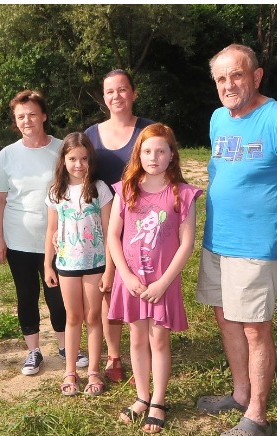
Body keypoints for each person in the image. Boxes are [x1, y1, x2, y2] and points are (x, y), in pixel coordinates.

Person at [196, 44, 277, 436]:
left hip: (255, 244)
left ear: (257, 75)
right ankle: (240, 393)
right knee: (226, 316)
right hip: (217, 239)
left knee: (253, 327)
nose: (229, 85)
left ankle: (258, 417)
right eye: (221, 78)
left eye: (237, 75)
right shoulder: (217, 118)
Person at [107, 124, 203, 434]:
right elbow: (113, 236)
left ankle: (158, 402)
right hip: (132, 280)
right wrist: (124, 274)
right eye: (147, 151)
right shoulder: (126, 188)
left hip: (163, 281)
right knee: (136, 339)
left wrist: (162, 283)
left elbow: (187, 243)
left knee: (158, 339)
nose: (154, 157)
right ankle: (141, 397)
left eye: (161, 151)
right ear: (139, 154)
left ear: (172, 154)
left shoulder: (183, 194)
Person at [0, 90, 69, 377]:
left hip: (59, 239)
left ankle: (65, 346)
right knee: (26, 294)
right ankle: (33, 352)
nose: (27, 120)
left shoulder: (63, 149)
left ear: (44, 116)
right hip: (19, 239)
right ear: (15, 120)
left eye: (32, 114)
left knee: (58, 295)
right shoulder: (7, 154)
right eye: (20, 116)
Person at [86, 69, 156, 386]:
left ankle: (148, 347)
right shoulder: (91, 135)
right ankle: (114, 355)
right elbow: (79, 180)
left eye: (123, 89)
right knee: (109, 290)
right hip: (104, 224)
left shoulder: (149, 131)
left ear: (134, 93)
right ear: (104, 97)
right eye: (110, 91)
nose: (117, 96)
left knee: (145, 283)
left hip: (144, 225)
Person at [45, 133, 114, 397]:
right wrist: (48, 265)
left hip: (95, 264)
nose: (78, 164)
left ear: (90, 160)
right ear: (63, 159)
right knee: (72, 317)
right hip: (66, 264)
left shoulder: (100, 189)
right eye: (72, 158)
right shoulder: (55, 191)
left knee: (93, 317)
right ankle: (70, 370)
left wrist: (109, 268)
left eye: (84, 159)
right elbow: (51, 228)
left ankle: (94, 371)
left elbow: (109, 231)